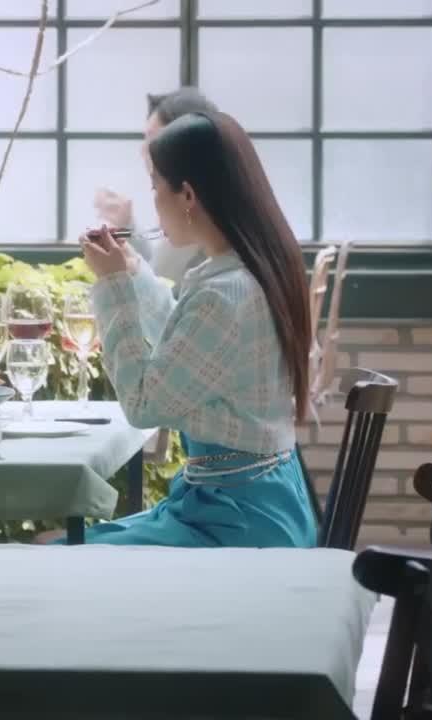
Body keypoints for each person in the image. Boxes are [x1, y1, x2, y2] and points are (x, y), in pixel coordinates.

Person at [40, 110, 317, 548]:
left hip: (237, 522)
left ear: (187, 195)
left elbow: (144, 404)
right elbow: (190, 343)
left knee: (54, 551)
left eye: (155, 187)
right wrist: (131, 270)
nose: (152, 201)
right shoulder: (247, 272)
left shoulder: (224, 294)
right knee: (59, 547)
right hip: (254, 503)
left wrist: (113, 287)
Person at [94, 87, 218, 287]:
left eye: (152, 139)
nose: (143, 149)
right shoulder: (185, 200)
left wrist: (115, 276)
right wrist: (127, 225)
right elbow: (160, 269)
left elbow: (160, 285)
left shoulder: (195, 212)